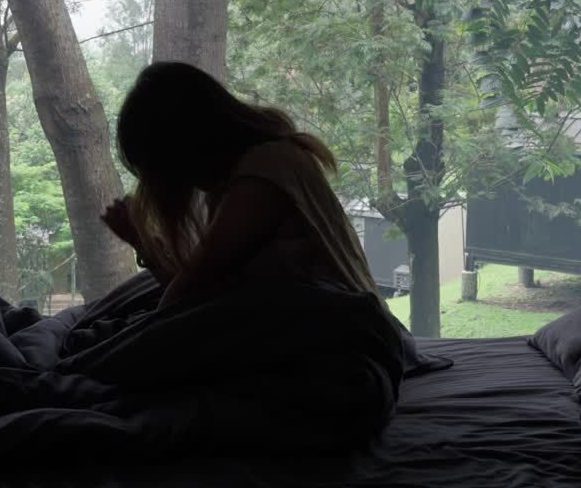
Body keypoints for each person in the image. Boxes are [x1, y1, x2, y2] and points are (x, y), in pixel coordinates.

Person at [101, 61, 380, 309]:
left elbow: (185, 299)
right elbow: (196, 296)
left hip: (349, 335)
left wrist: (147, 247)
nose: (174, 183)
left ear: (186, 142)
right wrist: (143, 244)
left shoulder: (263, 175)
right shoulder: (248, 174)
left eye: (165, 167)